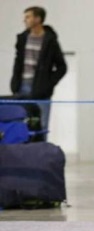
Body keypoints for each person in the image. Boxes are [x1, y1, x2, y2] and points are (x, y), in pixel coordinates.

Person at [10, 6, 67, 136]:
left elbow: (62, 67)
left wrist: (48, 83)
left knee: (41, 126)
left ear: (38, 19)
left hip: (41, 91)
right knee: (22, 125)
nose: (25, 20)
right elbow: (18, 63)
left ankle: (41, 155)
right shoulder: (22, 38)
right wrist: (14, 84)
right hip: (21, 88)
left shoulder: (50, 41)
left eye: (28, 17)